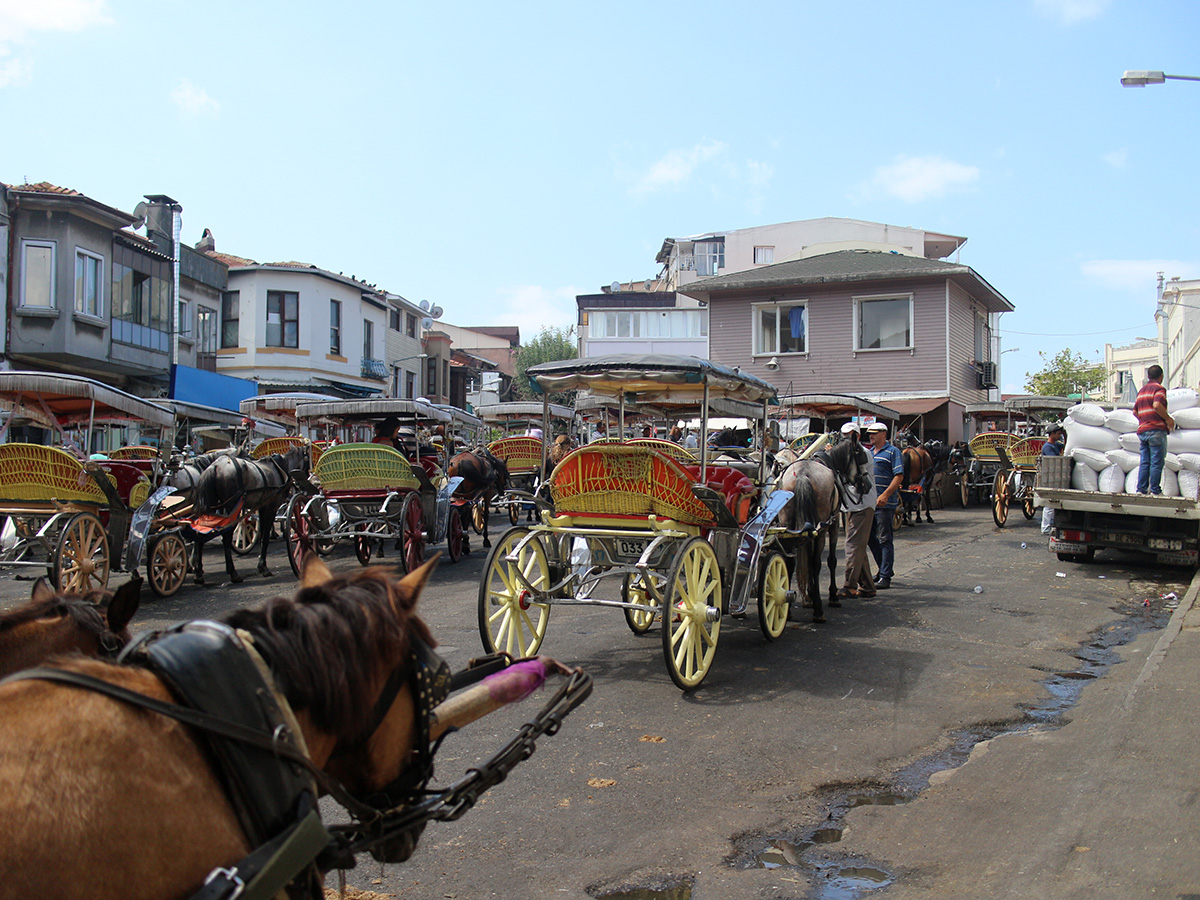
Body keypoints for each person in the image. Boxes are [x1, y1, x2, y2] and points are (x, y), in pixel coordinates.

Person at [838, 422, 878, 599]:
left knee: (853, 545)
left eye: (850, 435)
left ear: (857, 436)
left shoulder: (864, 453)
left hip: (862, 505)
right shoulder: (847, 452)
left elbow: (849, 470)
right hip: (851, 504)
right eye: (844, 435)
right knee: (858, 545)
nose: (847, 438)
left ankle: (850, 585)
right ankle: (868, 586)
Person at [866, 422, 904, 590]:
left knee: (885, 539)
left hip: (884, 503)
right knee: (869, 538)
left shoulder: (893, 452)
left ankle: (885, 576)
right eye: (869, 433)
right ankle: (884, 570)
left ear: (884, 434)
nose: (871, 436)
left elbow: (899, 476)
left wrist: (885, 495)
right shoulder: (868, 453)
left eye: (874, 433)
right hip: (870, 503)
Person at [1134, 364, 1174, 495]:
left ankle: (1141, 490)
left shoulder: (1141, 391)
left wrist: (1144, 420)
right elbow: (1157, 405)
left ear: (1148, 376)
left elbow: (1135, 412)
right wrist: (1168, 419)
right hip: (1156, 430)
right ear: (1161, 376)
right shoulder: (1159, 389)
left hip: (1143, 431)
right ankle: (1155, 490)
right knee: (1157, 462)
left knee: (1145, 462)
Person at [1039, 424, 1066, 534]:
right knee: (1049, 504)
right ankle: (1045, 528)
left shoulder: (1055, 445)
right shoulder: (1048, 447)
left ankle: (1051, 526)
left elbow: (1065, 445)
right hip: (1050, 477)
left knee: (1053, 504)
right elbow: (1054, 461)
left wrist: (1065, 434)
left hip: (1055, 477)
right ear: (1052, 434)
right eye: (1058, 434)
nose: (1060, 436)